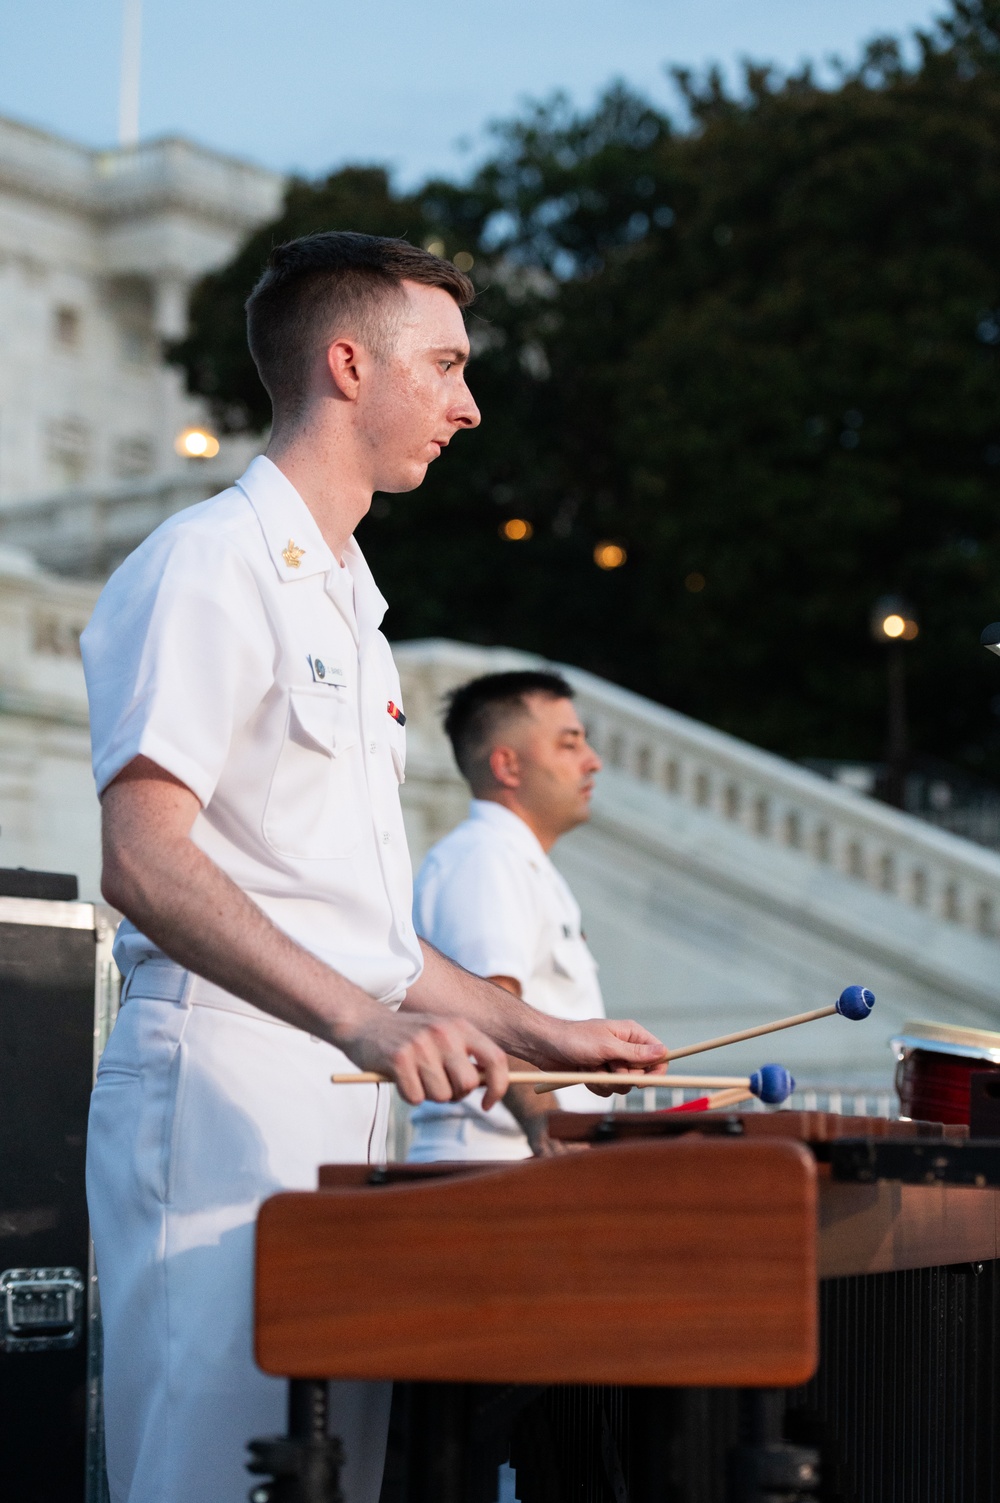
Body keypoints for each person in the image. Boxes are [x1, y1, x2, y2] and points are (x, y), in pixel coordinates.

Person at [80, 231, 666, 1503]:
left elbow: (373, 939)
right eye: (446, 365)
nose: (468, 405)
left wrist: (542, 1031)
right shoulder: (206, 562)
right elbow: (142, 858)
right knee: (216, 1480)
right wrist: (365, 1017)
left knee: (330, 1484)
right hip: (220, 1093)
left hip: (336, 1098)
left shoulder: (357, 605)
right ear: (349, 364)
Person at [408, 671, 612, 1163]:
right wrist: (546, 1124)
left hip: (523, 1157)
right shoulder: (486, 858)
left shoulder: (517, 862)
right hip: (496, 1160)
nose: (593, 762)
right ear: (508, 765)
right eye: (569, 745)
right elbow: (487, 1013)